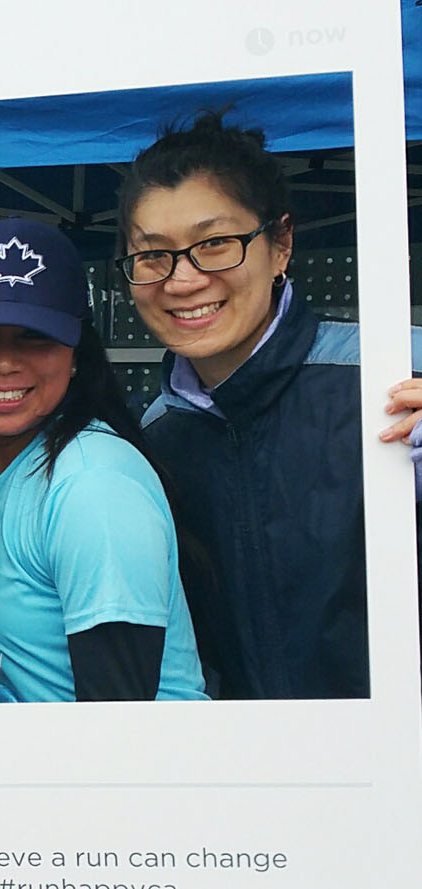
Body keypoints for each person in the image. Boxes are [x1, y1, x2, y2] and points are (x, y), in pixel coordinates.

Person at [118, 112, 422, 699]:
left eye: (215, 244)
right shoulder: (148, 442)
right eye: (154, 255)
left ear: (280, 244)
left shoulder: (390, 375)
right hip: (251, 776)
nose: (183, 281)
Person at [0, 218, 206, 703]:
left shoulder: (92, 483)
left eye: (35, 337)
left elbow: (118, 720)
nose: (5, 362)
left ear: (76, 353)